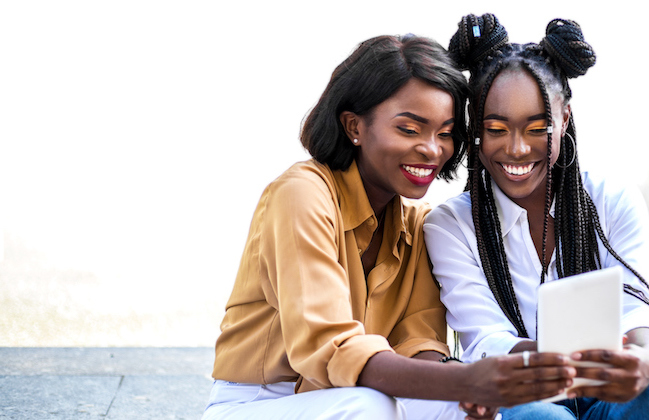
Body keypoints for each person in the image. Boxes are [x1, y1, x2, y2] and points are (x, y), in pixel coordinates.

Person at [203, 33, 577, 420]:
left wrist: (462, 390)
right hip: (262, 400)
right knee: (372, 407)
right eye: (410, 129)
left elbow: (420, 341)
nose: (433, 149)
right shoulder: (302, 194)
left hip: (357, 393)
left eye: (445, 133)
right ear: (355, 126)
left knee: (462, 409)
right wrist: (463, 381)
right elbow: (328, 346)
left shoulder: (417, 224)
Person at [423, 15, 649, 419]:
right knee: (540, 417)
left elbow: (637, 306)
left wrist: (640, 357)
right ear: (475, 128)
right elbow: (484, 337)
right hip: (521, 392)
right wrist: (567, 361)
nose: (516, 149)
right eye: (496, 128)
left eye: (537, 127)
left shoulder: (611, 200)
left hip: (608, 385)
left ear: (564, 118)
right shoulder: (451, 226)